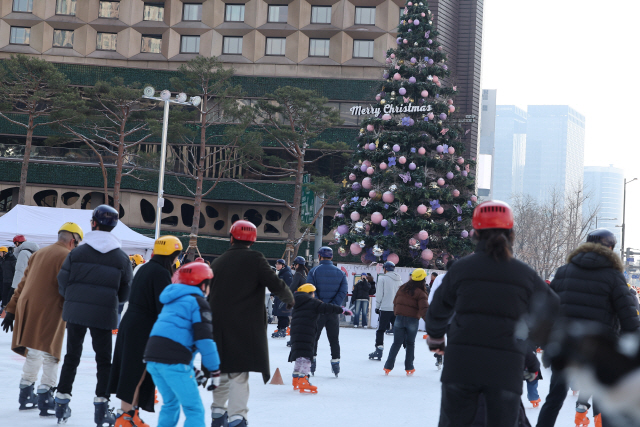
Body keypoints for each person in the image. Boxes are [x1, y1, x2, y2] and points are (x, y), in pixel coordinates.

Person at [425, 200, 560, 427]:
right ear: (511, 232)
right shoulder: (524, 274)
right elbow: (552, 307)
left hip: (461, 366)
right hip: (506, 370)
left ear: (476, 232)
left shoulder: (461, 268)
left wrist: (437, 339)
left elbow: (437, 310)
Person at [536, 228, 640, 427]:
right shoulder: (613, 277)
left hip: (565, 348)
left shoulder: (563, 272)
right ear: (610, 249)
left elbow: (546, 311)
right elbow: (629, 321)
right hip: (599, 351)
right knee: (607, 404)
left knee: (554, 399)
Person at [208, 220, 294, 427]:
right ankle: (237, 417)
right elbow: (275, 283)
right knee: (239, 372)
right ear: (253, 240)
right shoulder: (256, 259)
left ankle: (218, 414)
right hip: (245, 325)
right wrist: (289, 299)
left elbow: (207, 292)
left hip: (219, 324)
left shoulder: (218, 262)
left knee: (223, 368)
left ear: (231, 237)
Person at [55, 205, 133, 425]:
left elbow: (62, 281)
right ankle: (101, 406)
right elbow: (126, 291)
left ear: (93, 223)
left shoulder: (77, 253)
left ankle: (61, 402)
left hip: (76, 312)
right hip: (104, 313)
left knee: (71, 357)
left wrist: (72, 298)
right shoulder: (121, 258)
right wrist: (111, 301)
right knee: (103, 361)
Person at [1, 223, 83, 416]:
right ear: (73, 240)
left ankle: (26, 391)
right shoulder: (68, 256)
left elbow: (22, 282)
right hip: (51, 308)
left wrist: (11, 309)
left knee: (34, 350)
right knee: (50, 353)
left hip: (27, 306)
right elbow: (70, 288)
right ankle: (46, 395)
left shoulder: (39, 253)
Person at [109, 236, 183, 427]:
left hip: (134, 324)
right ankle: (125, 416)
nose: (176, 259)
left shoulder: (147, 268)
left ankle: (131, 414)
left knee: (136, 371)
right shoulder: (160, 273)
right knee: (135, 372)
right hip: (142, 327)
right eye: (176, 255)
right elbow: (163, 305)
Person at [143, 262, 220, 427]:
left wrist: (191, 367)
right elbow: (204, 339)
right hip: (174, 362)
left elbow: (176, 337)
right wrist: (214, 369)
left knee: (170, 404)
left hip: (153, 358)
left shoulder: (172, 301)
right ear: (202, 283)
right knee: (194, 409)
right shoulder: (198, 302)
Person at [289, 284, 352, 393]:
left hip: (295, 333)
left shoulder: (297, 302)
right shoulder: (313, 302)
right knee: (306, 357)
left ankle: (296, 379)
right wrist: (341, 310)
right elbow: (328, 307)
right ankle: (303, 380)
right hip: (306, 333)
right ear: (310, 293)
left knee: (299, 355)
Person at [307, 246, 348, 377]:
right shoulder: (340, 273)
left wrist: (320, 305)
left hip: (317, 312)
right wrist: (333, 306)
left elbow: (310, 290)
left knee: (314, 338)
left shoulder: (314, 271)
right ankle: (335, 363)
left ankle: (312, 362)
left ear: (319, 256)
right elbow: (343, 292)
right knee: (334, 339)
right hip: (333, 313)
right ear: (331, 257)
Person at [383, 268, 429, 376]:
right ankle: (409, 367)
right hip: (412, 320)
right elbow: (424, 310)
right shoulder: (421, 293)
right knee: (410, 343)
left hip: (399, 319)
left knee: (396, 343)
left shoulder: (402, 288)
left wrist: (397, 314)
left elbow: (395, 302)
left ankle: (387, 367)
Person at [369, 261, 403, 361]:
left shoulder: (382, 278)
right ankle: (408, 350)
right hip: (396, 308)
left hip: (385, 308)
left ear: (385, 268)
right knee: (399, 330)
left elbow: (379, 294)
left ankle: (379, 349)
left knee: (380, 330)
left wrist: (377, 306)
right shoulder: (399, 280)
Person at [428, 258, 456, 369]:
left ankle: (439, 357)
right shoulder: (460, 278)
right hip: (453, 315)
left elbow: (433, 294)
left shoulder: (440, 278)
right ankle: (448, 361)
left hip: (440, 313)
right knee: (451, 338)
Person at [272, 259, 293, 338]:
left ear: (283, 265)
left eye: (278, 264)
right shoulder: (281, 273)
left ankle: (283, 329)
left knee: (283, 314)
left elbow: (289, 286)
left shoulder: (287, 274)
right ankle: (280, 328)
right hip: (279, 296)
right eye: (276, 264)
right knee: (279, 314)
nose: (277, 266)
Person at [1, 245, 16, 312]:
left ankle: (10, 309)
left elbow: (15, 269)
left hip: (11, 281)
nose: (0, 254)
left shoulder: (12, 258)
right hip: (4, 280)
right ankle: (3, 308)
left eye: (0, 252)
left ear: (4, 252)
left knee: (11, 295)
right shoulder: (1, 259)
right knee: (4, 294)